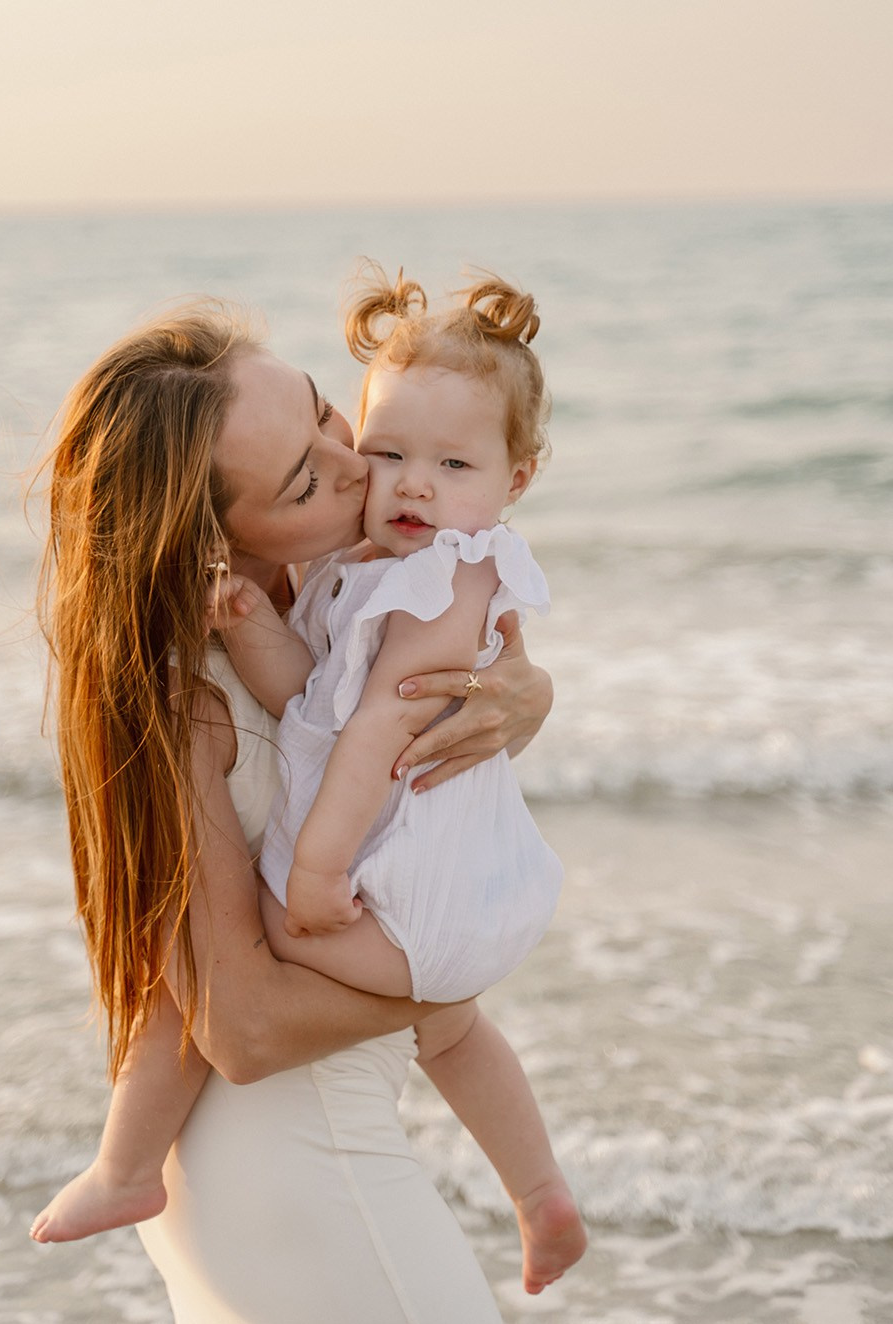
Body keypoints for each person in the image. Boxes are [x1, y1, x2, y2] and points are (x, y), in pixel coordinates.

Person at [30, 282, 581, 1321]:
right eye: (302, 479)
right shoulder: (181, 691)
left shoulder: (341, 567)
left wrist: (525, 690)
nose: (362, 470)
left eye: (327, 413)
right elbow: (240, 1030)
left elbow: (437, 641)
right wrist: (454, 981)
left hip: (318, 1135)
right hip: (282, 1159)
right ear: (214, 536)